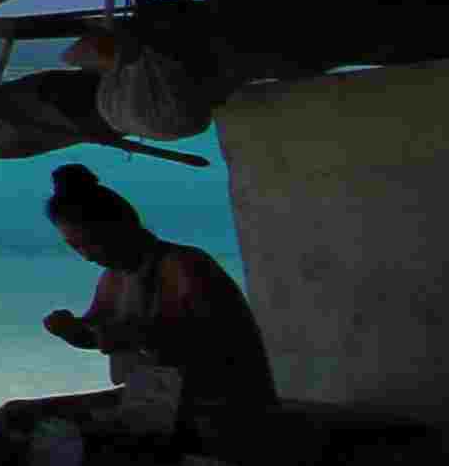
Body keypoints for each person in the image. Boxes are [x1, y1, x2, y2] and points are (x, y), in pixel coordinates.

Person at [38, 166, 276, 437]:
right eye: (75, 248)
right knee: (23, 415)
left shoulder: (184, 265)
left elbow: (204, 341)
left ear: (121, 226)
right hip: (165, 402)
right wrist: (72, 332)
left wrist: (122, 335)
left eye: (91, 243)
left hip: (220, 408)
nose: (86, 256)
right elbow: (97, 332)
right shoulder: (114, 277)